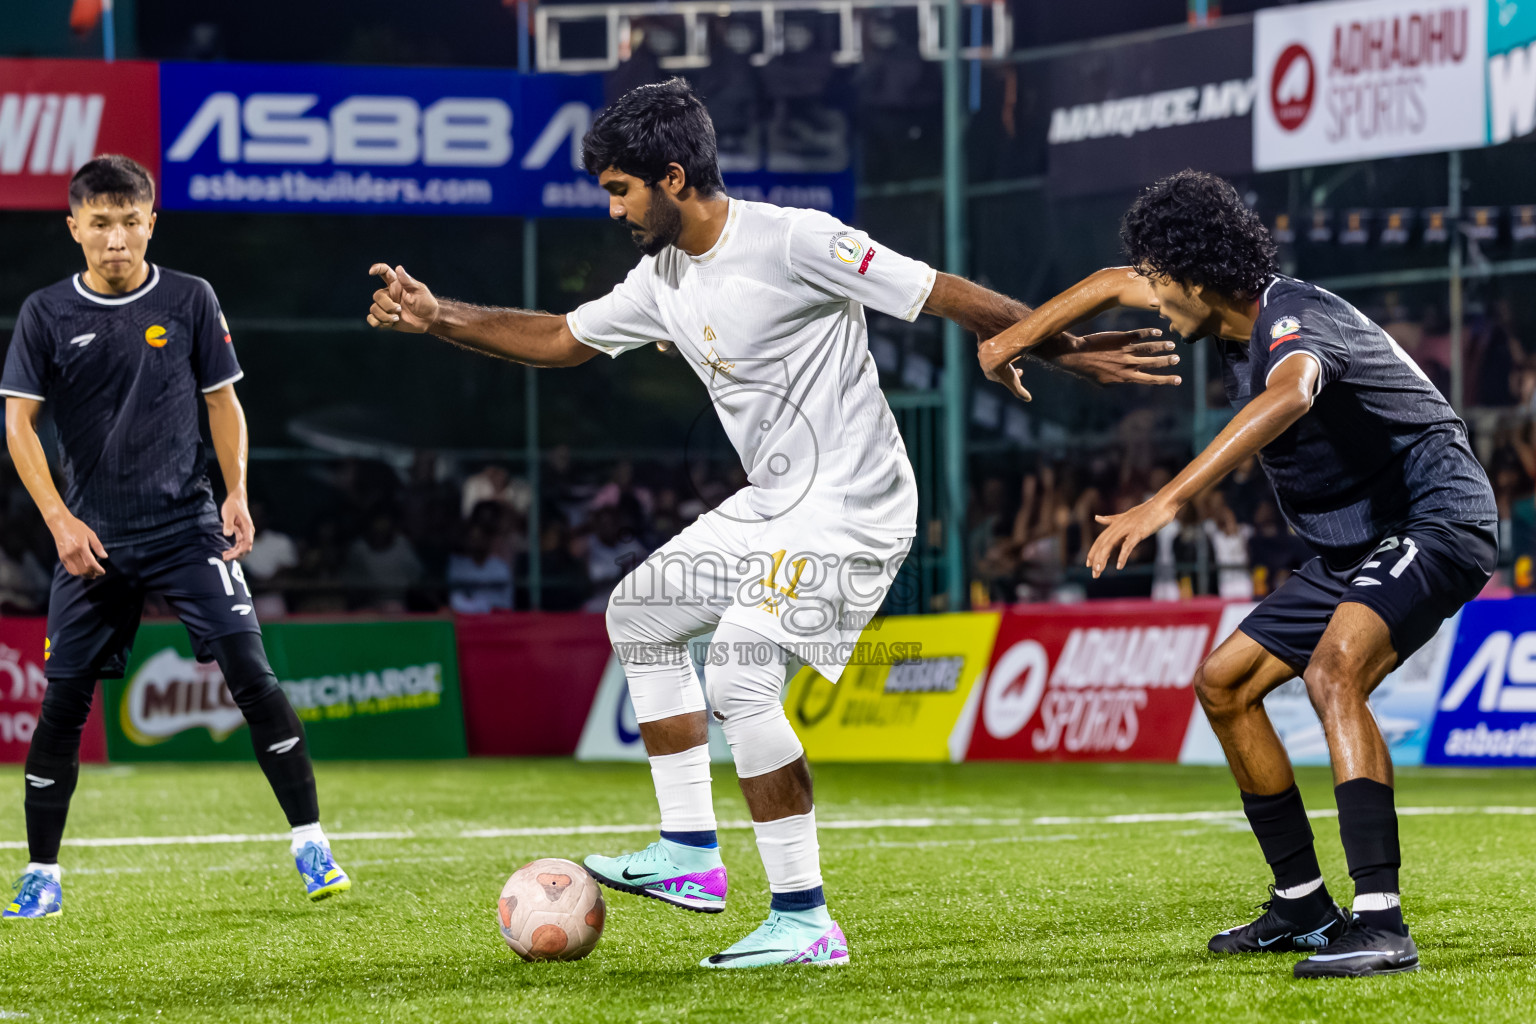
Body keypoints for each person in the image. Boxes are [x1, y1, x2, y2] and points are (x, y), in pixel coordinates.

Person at [365, 79, 1178, 968]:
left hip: (857, 504)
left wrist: (1063, 350)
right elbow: (562, 337)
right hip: (776, 504)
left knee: (740, 671)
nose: (613, 209)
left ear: (673, 178)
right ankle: (690, 853)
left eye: (621, 190)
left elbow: (942, 293)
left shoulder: (796, 240)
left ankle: (805, 919)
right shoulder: (663, 277)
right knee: (639, 612)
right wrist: (438, 317)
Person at [979, 170, 1498, 978]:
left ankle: (1381, 923)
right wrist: (1008, 341)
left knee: (1334, 672)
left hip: (1436, 518)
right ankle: (1302, 904)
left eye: (1160, 283)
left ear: (1196, 279)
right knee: (1224, 685)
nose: (1152, 298)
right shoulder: (1220, 307)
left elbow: (1290, 396)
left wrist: (1165, 500)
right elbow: (1110, 283)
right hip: (1357, 544)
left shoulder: (1294, 320)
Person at [0, 156, 350, 919]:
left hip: (187, 527)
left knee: (252, 672)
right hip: (93, 540)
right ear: (74, 227)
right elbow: (17, 424)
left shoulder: (190, 297)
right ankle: (42, 876)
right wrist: (59, 520)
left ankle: (311, 842)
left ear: (151, 223)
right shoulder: (45, 312)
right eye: (100, 223)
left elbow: (223, 402)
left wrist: (237, 491)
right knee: (62, 704)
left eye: (130, 222)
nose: (116, 239)